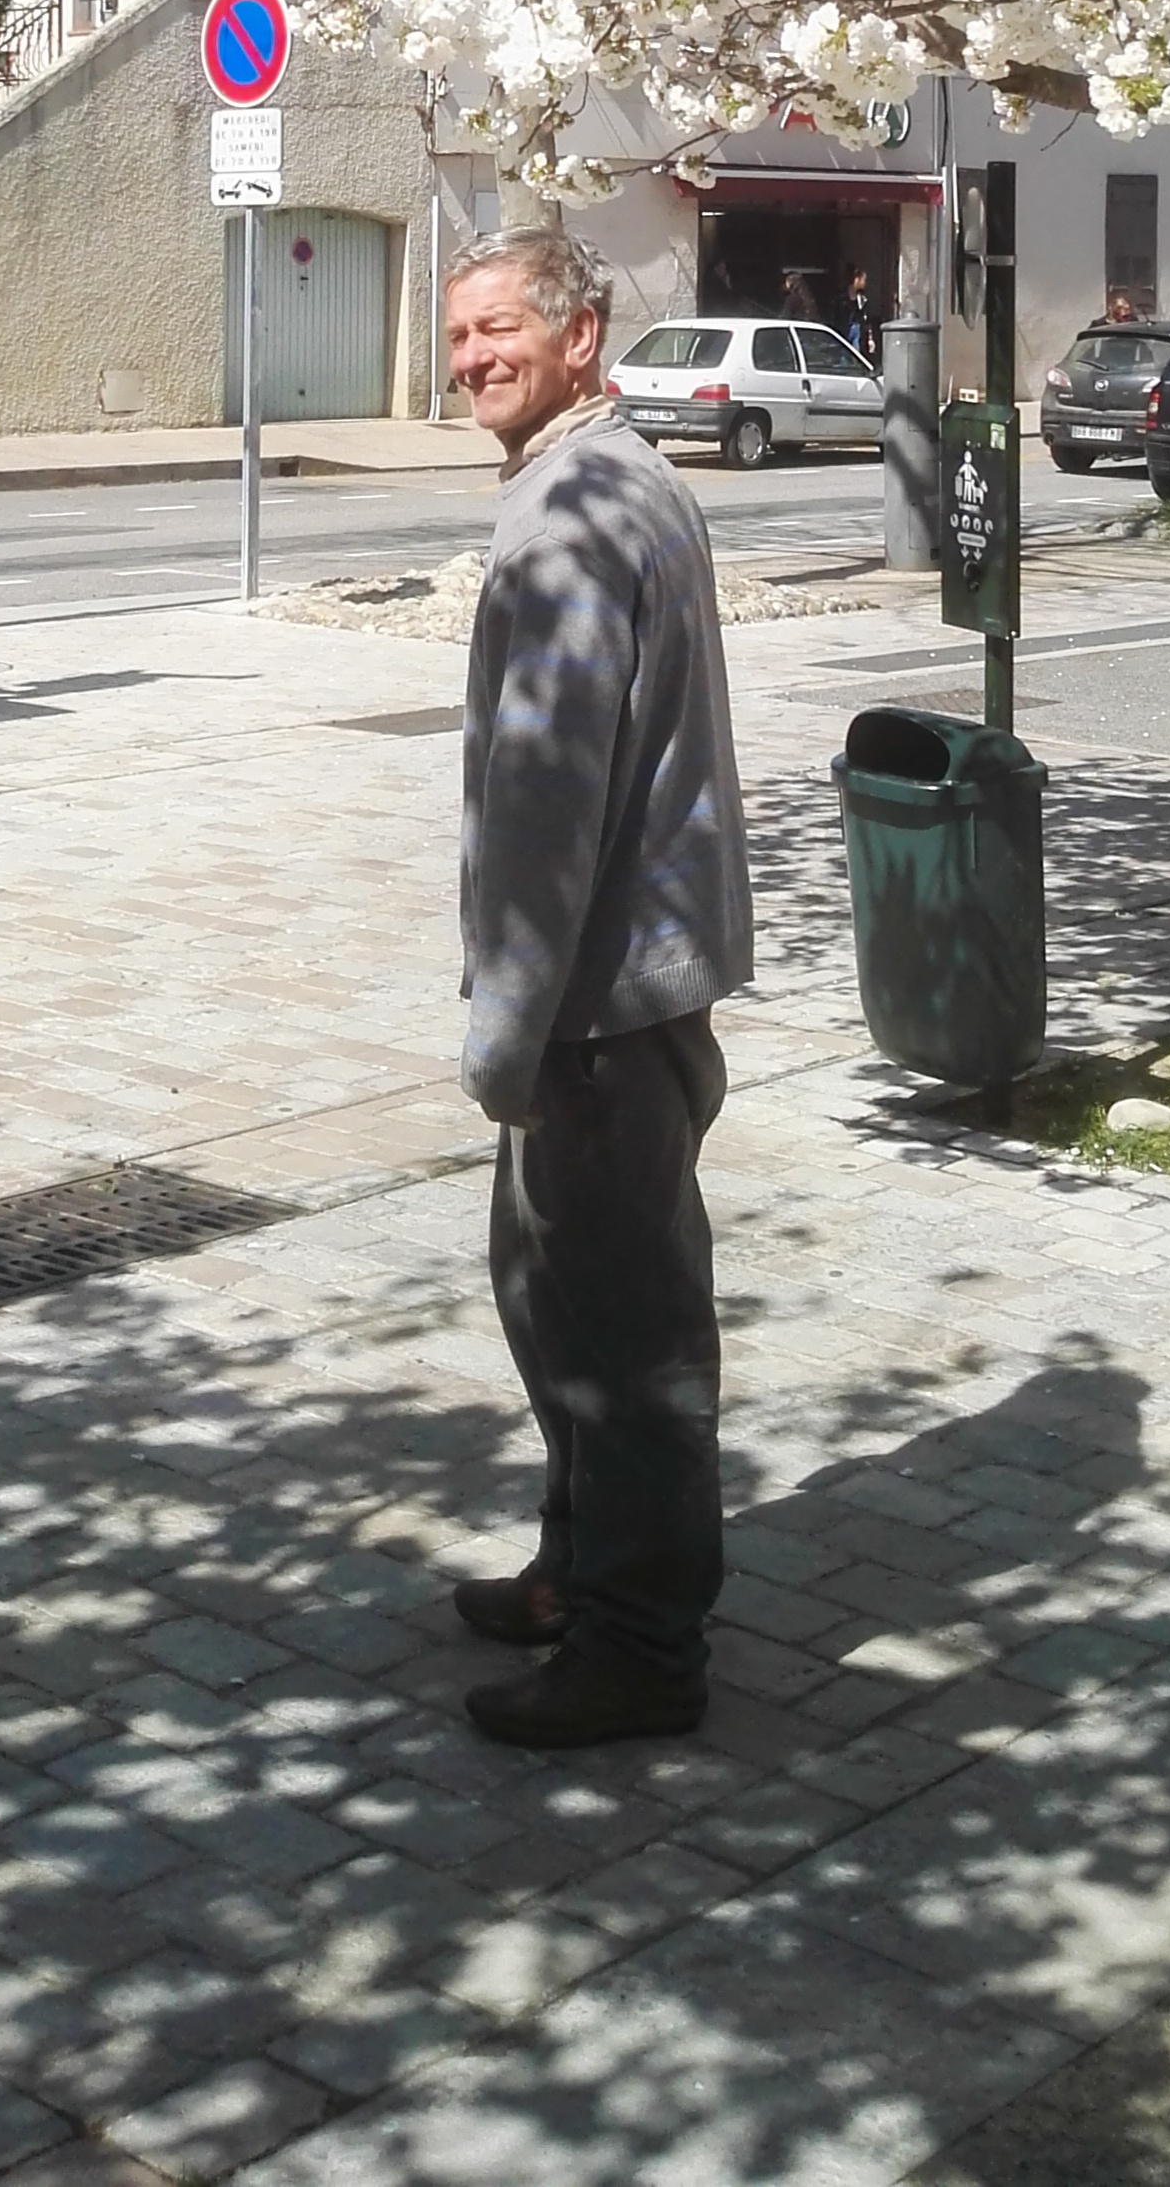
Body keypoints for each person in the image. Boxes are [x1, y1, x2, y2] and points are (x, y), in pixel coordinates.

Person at [441, 225, 754, 1750]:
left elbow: (547, 793)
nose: (472, 358)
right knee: (551, 1294)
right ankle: (583, 1564)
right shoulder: (619, 476)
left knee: (626, 1335)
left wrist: (504, 1030)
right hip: (622, 991)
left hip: (597, 1006)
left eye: (499, 328)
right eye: (458, 335)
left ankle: (641, 1647)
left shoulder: (573, 510)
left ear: (580, 339)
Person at [842, 265, 880, 370]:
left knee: (856, 355)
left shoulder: (862, 297)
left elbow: (866, 317)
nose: (865, 283)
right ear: (857, 279)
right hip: (845, 328)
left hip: (857, 329)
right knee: (843, 354)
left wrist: (870, 337)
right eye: (863, 280)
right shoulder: (842, 296)